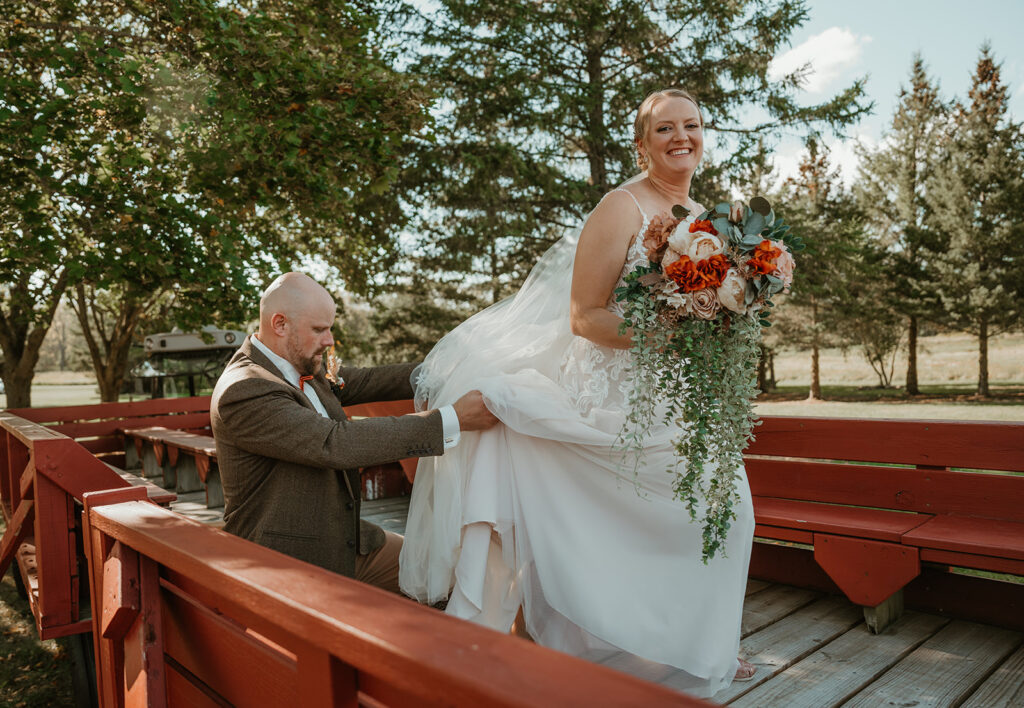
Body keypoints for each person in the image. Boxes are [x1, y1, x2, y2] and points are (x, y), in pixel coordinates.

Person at [399, 89, 756, 697]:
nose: (681, 137)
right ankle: (622, 650)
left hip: (682, 403)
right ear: (642, 143)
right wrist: (671, 329)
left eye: (691, 126)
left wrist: (727, 314)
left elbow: (713, 312)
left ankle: (699, 646)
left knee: (726, 517)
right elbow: (585, 317)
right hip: (620, 398)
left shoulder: (710, 219)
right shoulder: (620, 208)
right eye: (664, 128)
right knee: (615, 530)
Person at [210, 272, 498, 593]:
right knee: (444, 581)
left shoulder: (303, 364)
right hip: (288, 559)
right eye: (319, 329)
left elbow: (364, 381)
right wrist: (451, 419)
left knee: (455, 572)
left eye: (329, 328)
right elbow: (334, 443)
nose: (329, 340)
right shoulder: (246, 388)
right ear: (280, 324)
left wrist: (446, 372)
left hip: (343, 539)